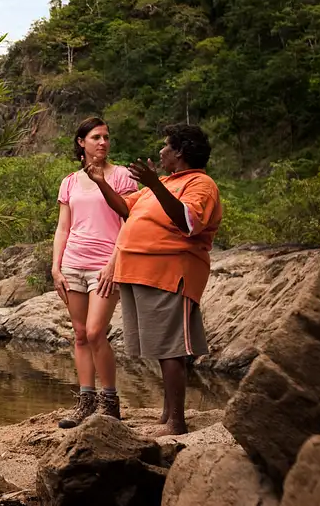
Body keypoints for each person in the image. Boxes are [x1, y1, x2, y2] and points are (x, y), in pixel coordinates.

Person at [85, 124, 222, 436]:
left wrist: (154, 185)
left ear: (180, 152)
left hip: (170, 273)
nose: (160, 152)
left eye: (166, 146)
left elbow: (188, 222)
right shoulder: (161, 184)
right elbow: (125, 208)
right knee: (160, 347)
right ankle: (166, 416)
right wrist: (101, 183)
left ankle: (176, 422)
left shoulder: (201, 185)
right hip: (138, 273)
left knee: (171, 348)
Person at [52, 117, 138, 429]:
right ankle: (85, 402)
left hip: (106, 264)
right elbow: (63, 227)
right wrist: (55, 267)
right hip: (73, 263)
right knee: (78, 334)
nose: (103, 142)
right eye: (96, 137)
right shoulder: (70, 182)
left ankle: (110, 402)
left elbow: (131, 219)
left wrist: (114, 263)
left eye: (106, 137)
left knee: (94, 332)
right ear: (81, 142)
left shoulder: (123, 176)